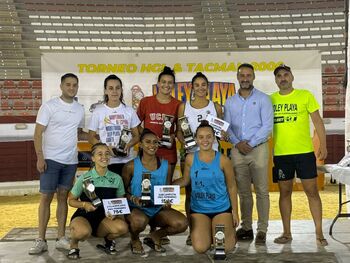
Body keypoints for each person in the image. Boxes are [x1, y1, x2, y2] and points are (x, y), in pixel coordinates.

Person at [271, 64, 328, 246]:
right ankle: (287, 233)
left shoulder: (305, 95)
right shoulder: (270, 100)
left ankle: (319, 233)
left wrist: (324, 145)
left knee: (312, 192)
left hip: (304, 153)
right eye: (279, 76)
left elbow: (318, 122)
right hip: (282, 155)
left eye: (286, 74)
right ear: (276, 80)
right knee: (284, 193)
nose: (283, 78)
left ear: (292, 77)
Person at [29, 73, 86, 254]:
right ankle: (41, 239)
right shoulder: (49, 106)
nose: (71, 87)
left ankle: (61, 237)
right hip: (51, 159)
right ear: (61, 86)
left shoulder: (79, 109)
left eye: (74, 85)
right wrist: (40, 157)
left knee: (63, 197)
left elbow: (79, 133)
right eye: (68, 84)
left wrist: (103, 137)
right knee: (46, 197)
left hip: (70, 161)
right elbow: (38, 134)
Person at [224, 63, 273, 244]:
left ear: (253, 77)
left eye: (248, 75)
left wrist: (250, 143)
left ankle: (262, 230)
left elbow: (267, 126)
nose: (245, 78)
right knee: (243, 192)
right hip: (237, 150)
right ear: (237, 77)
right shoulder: (230, 102)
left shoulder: (263, 99)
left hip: (258, 149)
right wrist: (237, 143)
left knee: (261, 190)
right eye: (242, 75)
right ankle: (246, 228)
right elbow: (227, 127)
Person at [173, 121, 239, 254]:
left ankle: (229, 234)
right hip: (199, 209)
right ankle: (209, 231)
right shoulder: (190, 158)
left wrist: (235, 212)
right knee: (200, 248)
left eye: (208, 136)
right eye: (201, 137)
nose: (205, 140)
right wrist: (166, 187)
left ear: (214, 138)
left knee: (224, 248)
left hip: (221, 208)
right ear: (196, 139)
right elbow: (185, 181)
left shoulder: (224, 160)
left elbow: (231, 186)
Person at [122, 129, 188, 255]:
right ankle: (134, 239)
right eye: (147, 142)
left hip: (157, 210)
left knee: (182, 223)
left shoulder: (166, 165)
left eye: (155, 142)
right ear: (140, 144)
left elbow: (167, 188)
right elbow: (122, 192)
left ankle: (155, 236)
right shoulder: (130, 166)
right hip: (137, 209)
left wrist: (167, 201)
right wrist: (133, 199)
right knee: (139, 221)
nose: (152, 145)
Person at [177, 72, 223, 245]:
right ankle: (192, 230)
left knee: (215, 190)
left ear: (208, 87)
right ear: (192, 87)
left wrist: (224, 133)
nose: (201, 88)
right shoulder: (184, 107)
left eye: (204, 84)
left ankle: (214, 229)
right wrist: (185, 142)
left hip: (212, 155)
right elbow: (179, 131)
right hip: (191, 155)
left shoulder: (216, 106)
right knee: (191, 192)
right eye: (197, 85)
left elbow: (221, 131)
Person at [66, 143, 129, 259]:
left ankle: (108, 240)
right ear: (93, 158)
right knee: (81, 232)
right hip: (85, 216)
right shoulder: (84, 178)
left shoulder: (117, 178)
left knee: (123, 228)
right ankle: (74, 244)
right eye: (100, 154)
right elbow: (71, 201)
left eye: (107, 153)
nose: (104, 157)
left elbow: (121, 201)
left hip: (105, 218)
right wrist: (84, 204)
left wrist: (116, 213)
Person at [88, 74, 140, 177]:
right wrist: (106, 149)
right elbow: (91, 137)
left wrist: (128, 145)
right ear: (105, 91)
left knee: (125, 192)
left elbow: (137, 136)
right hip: (106, 161)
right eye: (110, 88)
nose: (114, 91)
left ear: (121, 90)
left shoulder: (129, 111)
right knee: (109, 193)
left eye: (117, 88)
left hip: (127, 162)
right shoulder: (98, 111)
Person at [137, 66, 181, 177]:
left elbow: (180, 130)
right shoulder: (146, 102)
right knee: (145, 185)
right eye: (163, 82)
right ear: (158, 83)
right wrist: (146, 137)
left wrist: (173, 135)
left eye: (170, 83)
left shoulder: (178, 105)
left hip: (167, 152)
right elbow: (135, 124)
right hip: (147, 151)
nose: (166, 85)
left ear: (174, 85)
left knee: (166, 190)